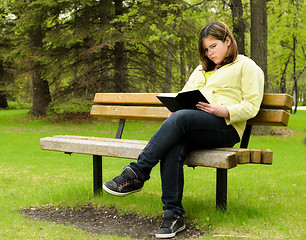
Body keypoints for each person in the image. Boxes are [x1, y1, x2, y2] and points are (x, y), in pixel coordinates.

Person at [103, 20, 264, 239]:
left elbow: (252, 106)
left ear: (228, 41)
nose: (209, 53)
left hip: (226, 127)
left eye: (213, 46)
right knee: (173, 145)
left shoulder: (247, 66)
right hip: (193, 125)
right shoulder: (200, 70)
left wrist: (223, 110)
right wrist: (175, 109)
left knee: (180, 120)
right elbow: (184, 95)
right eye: (206, 49)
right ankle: (173, 215)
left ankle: (138, 172)